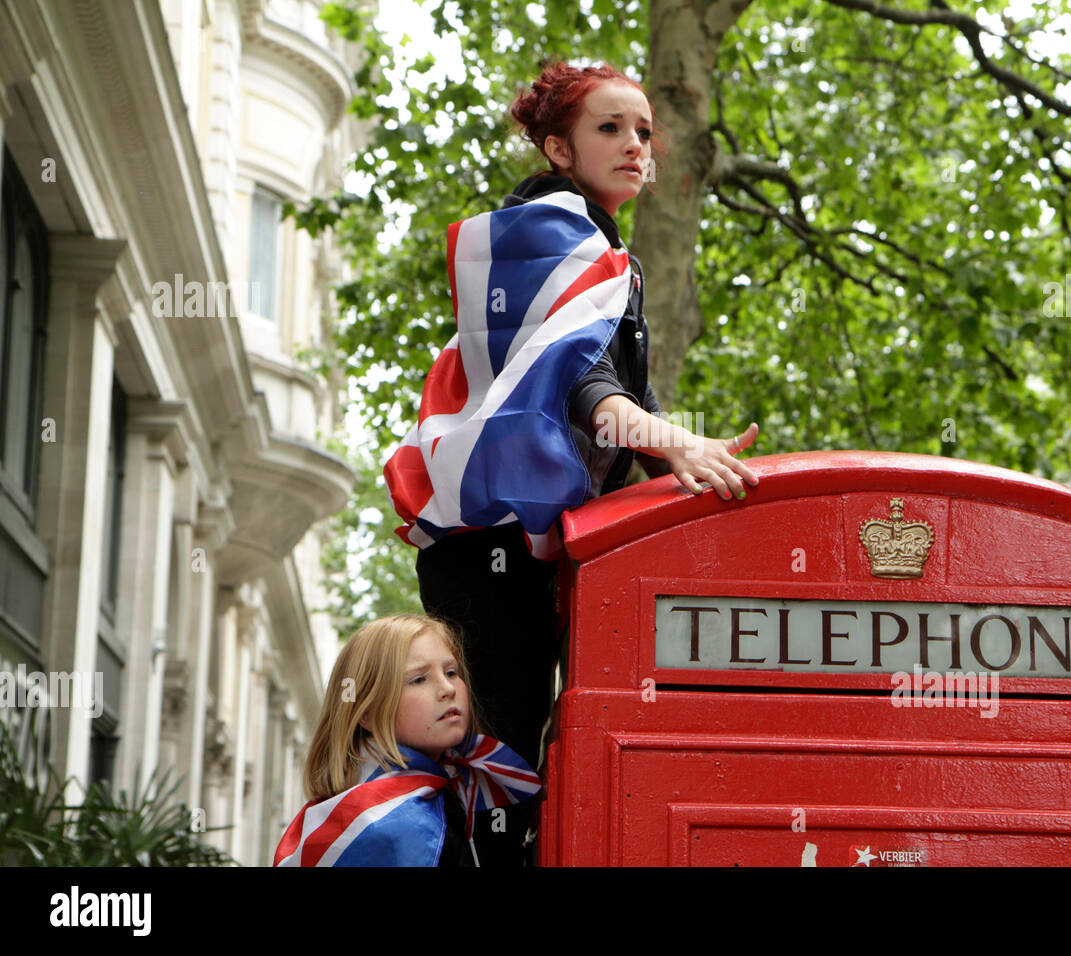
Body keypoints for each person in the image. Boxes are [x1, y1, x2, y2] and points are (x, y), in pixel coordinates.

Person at [383, 61, 760, 866]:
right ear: (558, 148)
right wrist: (669, 443)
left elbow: (634, 398)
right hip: (490, 548)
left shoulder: (603, 251)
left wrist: (715, 485)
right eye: (609, 129)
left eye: (645, 132)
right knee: (497, 757)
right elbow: (577, 382)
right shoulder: (544, 227)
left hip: (531, 544)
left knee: (516, 753)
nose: (635, 146)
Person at [273, 614, 540, 867]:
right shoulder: (392, 825)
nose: (448, 689)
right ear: (366, 711)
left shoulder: (446, 787)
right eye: (419, 679)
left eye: (451, 672)